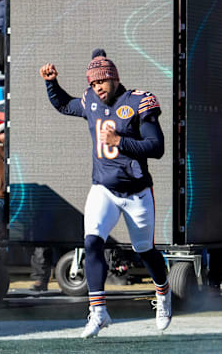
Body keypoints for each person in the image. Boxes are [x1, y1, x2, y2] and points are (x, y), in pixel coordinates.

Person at [39, 49, 170, 338]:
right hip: (103, 188)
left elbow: (157, 147)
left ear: (113, 79)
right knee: (92, 243)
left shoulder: (138, 101)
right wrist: (51, 83)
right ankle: (98, 312)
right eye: (93, 83)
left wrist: (119, 141)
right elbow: (64, 105)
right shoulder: (90, 101)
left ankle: (162, 294)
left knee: (144, 251)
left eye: (102, 81)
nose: (97, 87)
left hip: (136, 192)